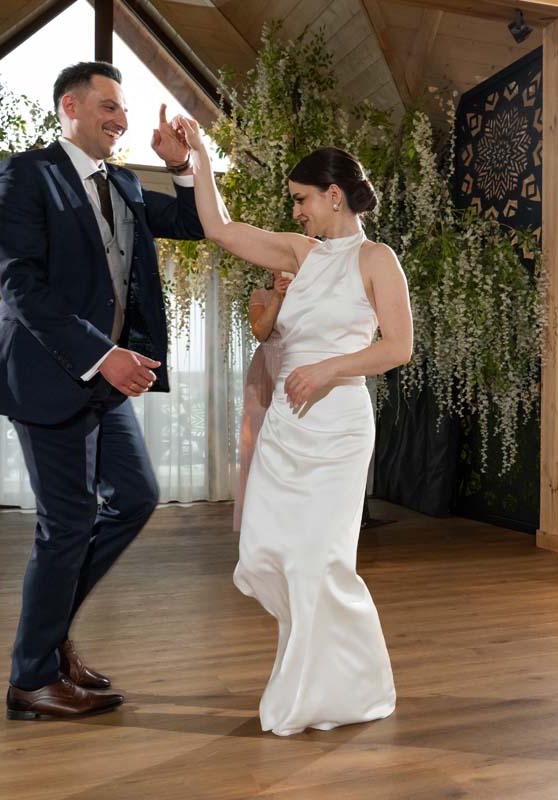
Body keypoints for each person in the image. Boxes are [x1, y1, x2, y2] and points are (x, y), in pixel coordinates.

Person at [0, 62, 204, 720]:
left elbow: (191, 223)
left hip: (102, 384)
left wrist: (182, 166)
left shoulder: (125, 183)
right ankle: (31, 680)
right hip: (45, 377)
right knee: (68, 523)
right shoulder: (23, 176)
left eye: (124, 110)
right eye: (109, 106)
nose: (122, 120)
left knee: (135, 497)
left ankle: (49, 641)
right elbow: (20, 287)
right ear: (70, 108)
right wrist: (104, 356)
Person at [177, 115, 413, 735]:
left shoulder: (376, 259)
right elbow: (219, 229)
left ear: (334, 195)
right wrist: (199, 155)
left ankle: (333, 689)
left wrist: (330, 368)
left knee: (319, 562)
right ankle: (330, 669)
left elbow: (398, 347)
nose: (297, 211)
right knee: (265, 553)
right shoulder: (298, 253)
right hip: (286, 425)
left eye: (302, 199)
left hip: (338, 427)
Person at [234, 279, 289, 532]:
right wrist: (277, 296)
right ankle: (259, 514)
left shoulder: (311, 291)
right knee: (258, 439)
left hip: (298, 367)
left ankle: (291, 513)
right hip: (265, 370)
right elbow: (260, 332)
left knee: (293, 441)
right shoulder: (260, 294)